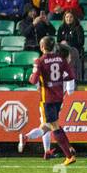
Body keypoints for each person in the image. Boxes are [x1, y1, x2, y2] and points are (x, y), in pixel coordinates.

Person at [25, 35, 77, 165]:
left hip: (47, 98)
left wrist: (31, 76)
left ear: (42, 47)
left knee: (53, 127)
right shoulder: (61, 59)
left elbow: (34, 80)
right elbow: (70, 76)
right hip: (59, 97)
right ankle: (68, 150)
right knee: (53, 125)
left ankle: (69, 156)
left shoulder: (40, 61)